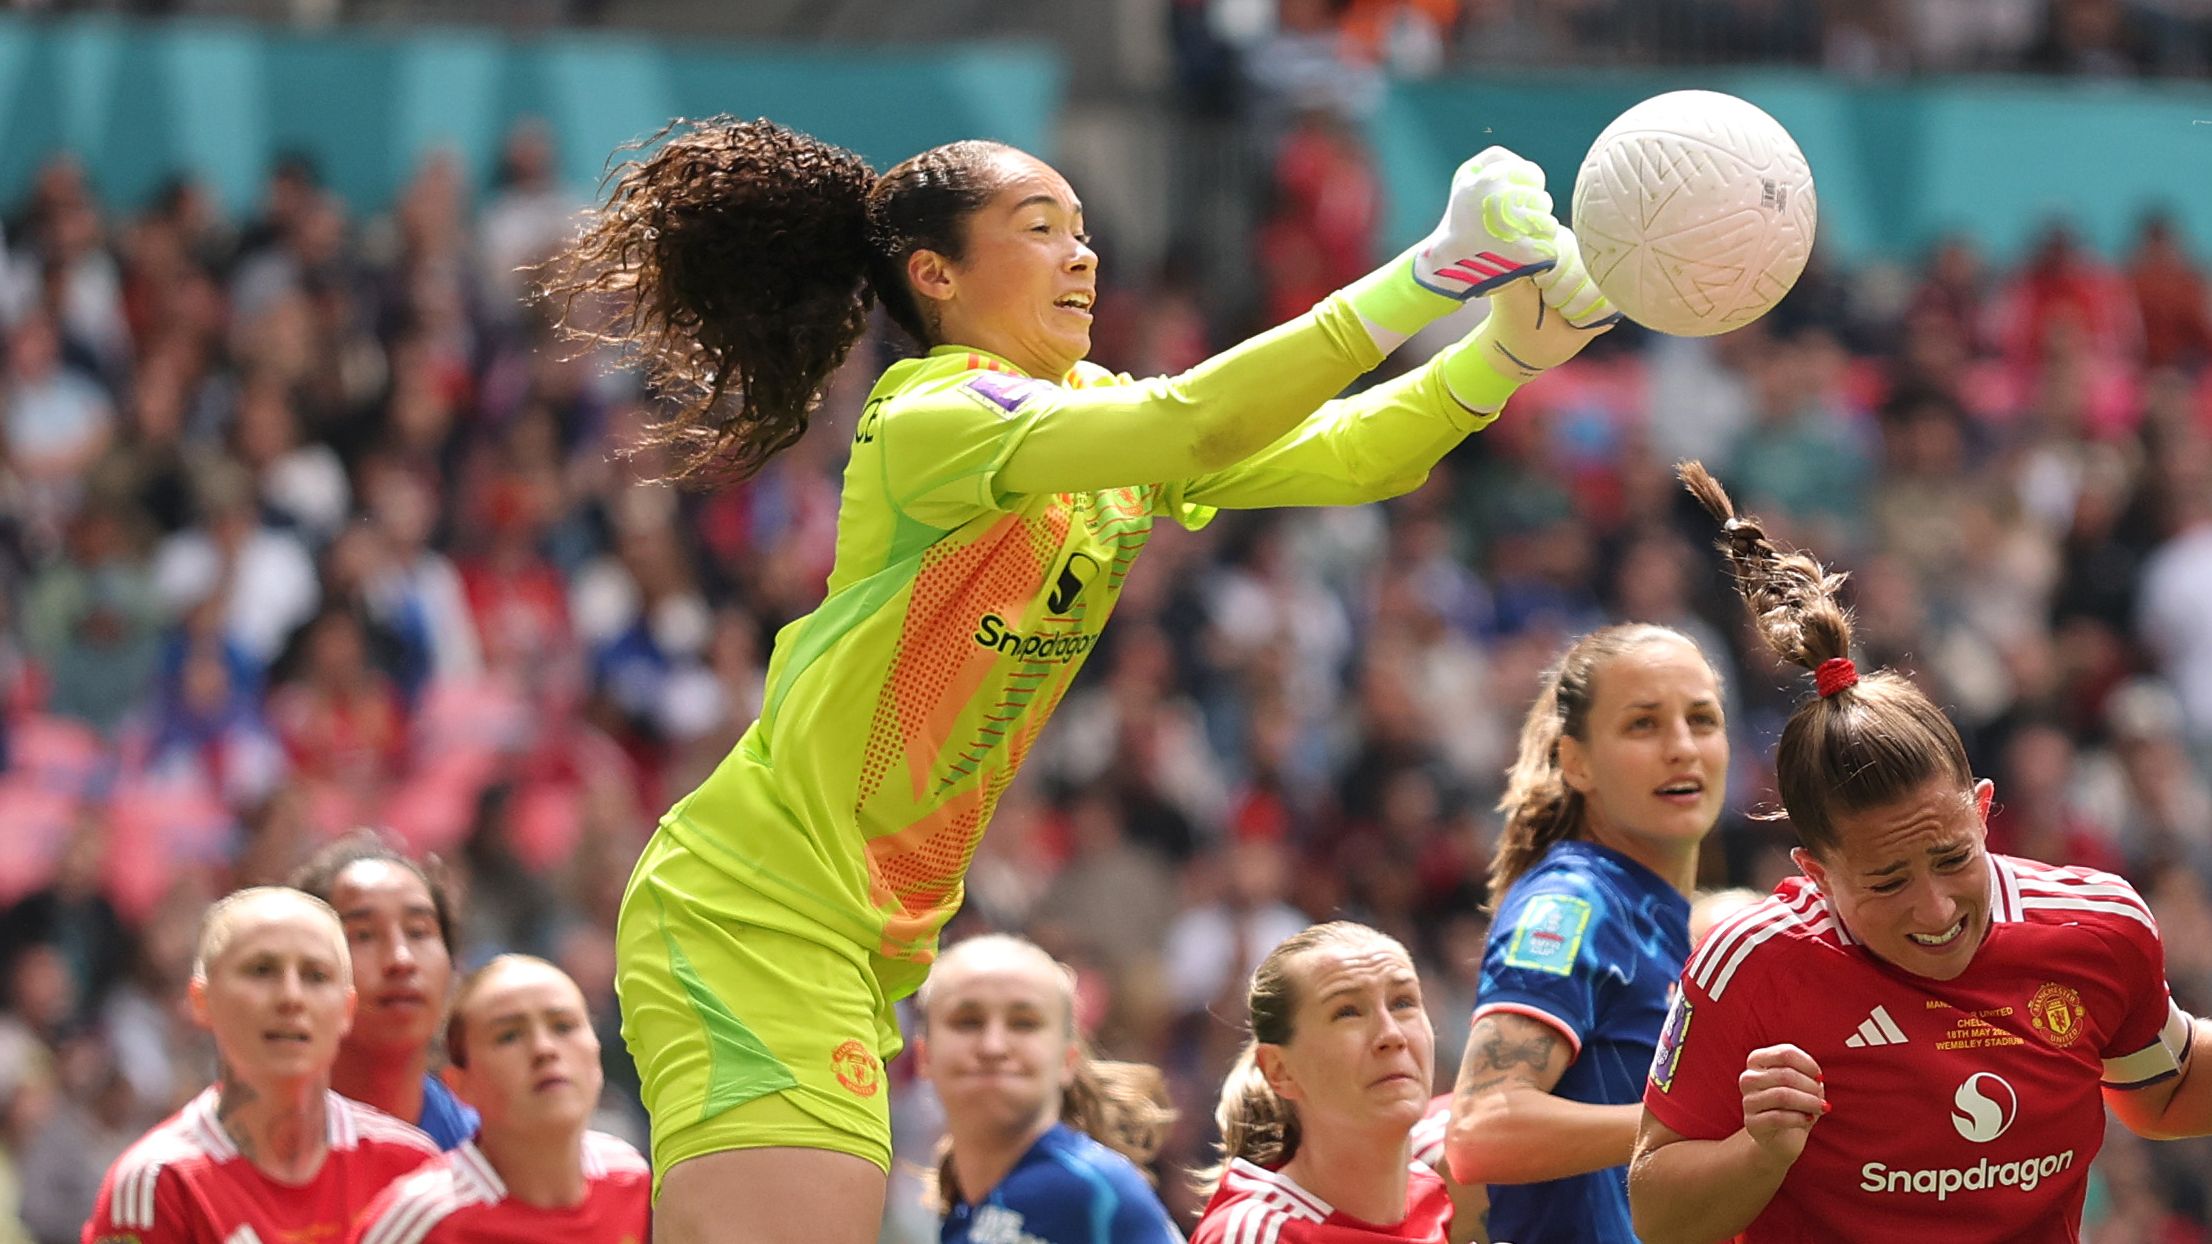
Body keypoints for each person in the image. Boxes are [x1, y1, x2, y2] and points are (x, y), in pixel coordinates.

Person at [542, 115, 1618, 1242]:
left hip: (854, 937)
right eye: (1042, 227)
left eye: (1086, 232)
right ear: (936, 275)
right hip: (753, 907)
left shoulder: (1092, 425)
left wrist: (1503, 356)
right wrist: (1424, 275)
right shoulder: (931, 415)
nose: (1083, 254)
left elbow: (1349, 454)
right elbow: (1194, 418)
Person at [1627, 462, 2212, 1243]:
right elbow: (1658, 1216)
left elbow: (2162, 1093)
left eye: (1950, 859)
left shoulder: (2097, 928)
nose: (1933, 909)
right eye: (1887, 879)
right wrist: (1759, 1150)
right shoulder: (1754, 966)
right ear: (1817, 872)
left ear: (1982, 812)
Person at [1443, 624, 1729, 1243]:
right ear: (1577, 762)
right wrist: (1687, 1121)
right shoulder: (1570, 904)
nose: (1682, 747)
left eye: (1702, 720)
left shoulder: (1660, 915)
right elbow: (1481, 1128)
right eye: (1643, 725)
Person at [81, 887, 439, 1243]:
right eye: (261, 970)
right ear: (201, 1001)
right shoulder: (159, 1184)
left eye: (315, 976)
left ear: (347, 1009)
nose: (290, 997)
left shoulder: (410, 1167)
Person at [349, 955, 651, 1244]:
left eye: (563, 1026)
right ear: (459, 1085)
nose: (544, 1049)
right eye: (508, 1036)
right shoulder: (421, 1221)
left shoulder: (629, 1177)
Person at [1192, 922, 1451, 1244]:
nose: (1392, 1035)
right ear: (1280, 1070)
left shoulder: (1455, 1189)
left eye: (1403, 1003)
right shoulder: (1258, 1235)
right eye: (1347, 1012)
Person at [915, 934, 1179, 1244]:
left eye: (1023, 1023)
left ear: (1068, 1060)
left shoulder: (1088, 1195)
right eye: (968, 1022)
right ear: (924, 1056)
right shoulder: (966, 1213)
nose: (993, 1046)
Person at [290, 831, 479, 1148]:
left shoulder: (488, 1154)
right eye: (363, 936)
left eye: (419, 932)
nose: (400, 960)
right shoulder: (246, 1153)